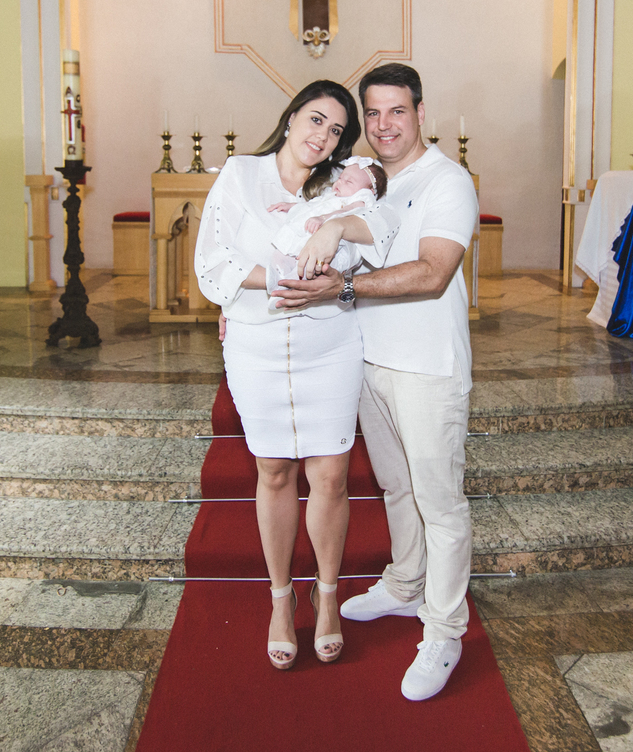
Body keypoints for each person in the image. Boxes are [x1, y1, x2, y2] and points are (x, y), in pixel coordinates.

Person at [273, 63, 479, 700]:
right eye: (376, 113)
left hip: (427, 365)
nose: (386, 125)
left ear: (420, 111)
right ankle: (404, 583)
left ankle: (444, 630)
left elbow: (432, 273)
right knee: (394, 486)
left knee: (440, 501)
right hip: (368, 358)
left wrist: (340, 288)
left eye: (399, 111)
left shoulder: (449, 181)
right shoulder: (363, 179)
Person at [193, 80, 398, 671]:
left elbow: (380, 236)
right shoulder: (239, 175)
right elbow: (213, 264)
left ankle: (327, 595)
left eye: (335, 130)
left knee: (332, 475)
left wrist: (335, 229)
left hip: (328, 341)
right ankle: (282, 599)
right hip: (255, 342)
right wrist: (281, 276)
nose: (322, 137)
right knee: (274, 470)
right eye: (315, 120)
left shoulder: (344, 183)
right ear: (290, 119)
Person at [264, 157, 388, 304]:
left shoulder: (359, 200)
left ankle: (288, 287)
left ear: (369, 191)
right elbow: (312, 205)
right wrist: (292, 206)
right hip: (312, 235)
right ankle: (280, 282)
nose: (340, 182)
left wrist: (323, 218)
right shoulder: (333, 195)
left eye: (348, 182)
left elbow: (345, 212)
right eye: (341, 177)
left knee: (307, 266)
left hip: (329, 245)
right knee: (283, 255)